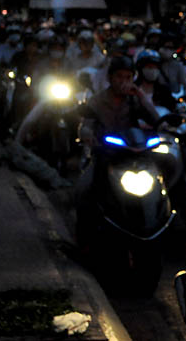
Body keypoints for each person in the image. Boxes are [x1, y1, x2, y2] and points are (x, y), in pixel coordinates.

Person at [75, 55, 161, 249]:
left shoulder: (134, 100)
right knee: (84, 188)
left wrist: (140, 95)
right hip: (106, 155)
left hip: (135, 154)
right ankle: (85, 239)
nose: (123, 82)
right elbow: (85, 125)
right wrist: (88, 135)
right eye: (119, 77)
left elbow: (155, 119)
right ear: (110, 78)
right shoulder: (97, 101)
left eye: (128, 77)